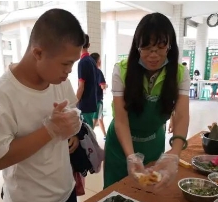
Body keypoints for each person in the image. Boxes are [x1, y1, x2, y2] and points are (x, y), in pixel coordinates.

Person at [0, 9, 85, 202]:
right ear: (38, 53)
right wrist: (50, 130)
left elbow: (72, 113)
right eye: (65, 64)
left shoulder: (59, 81)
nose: (68, 72)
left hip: (65, 193)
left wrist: (72, 130)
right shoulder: (1, 96)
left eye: (73, 64)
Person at [104, 13, 190, 190]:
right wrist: (130, 156)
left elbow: (181, 115)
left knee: (148, 193)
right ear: (137, 47)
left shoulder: (180, 73)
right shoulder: (121, 70)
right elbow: (121, 119)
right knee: (115, 194)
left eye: (160, 48)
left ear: (169, 46)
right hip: (121, 145)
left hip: (153, 141)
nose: (153, 55)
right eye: (146, 48)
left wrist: (174, 154)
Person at [76, 34, 98, 128]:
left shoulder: (83, 62)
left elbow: (81, 86)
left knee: (87, 133)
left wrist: (74, 102)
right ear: (88, 45)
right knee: (90, 130)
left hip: (85, 104)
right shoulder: (92, 61)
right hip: (92, 101)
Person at [90, 52, 107, 139]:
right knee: (95, 119)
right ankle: (89, 137)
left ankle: (105, 135)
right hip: (98, 100)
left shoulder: (89, 71)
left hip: (91, 99)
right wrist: (106, 85)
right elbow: (103, 86)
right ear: (98, 61)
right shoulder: (98, 71)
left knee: (100, 118)